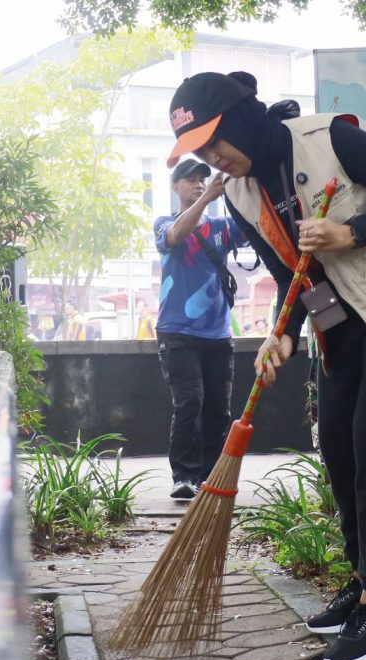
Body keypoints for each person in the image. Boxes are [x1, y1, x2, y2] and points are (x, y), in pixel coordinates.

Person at [165, 71, 366, 660]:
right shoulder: (240, 192)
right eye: (198, 149)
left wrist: (352, 231)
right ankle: (364, 580)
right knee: (341, 454)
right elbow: (287, 273)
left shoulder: (329, 140)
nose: (211, 156)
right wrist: (284, 334)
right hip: (340, 322)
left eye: (214, 140)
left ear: (242, 118)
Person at [154, 157, 248, 500]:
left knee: (218, 411)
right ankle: (184, 476)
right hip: (177, 331)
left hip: (218, 333)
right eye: (190, 179)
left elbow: (258, 226)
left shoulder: (222, 227)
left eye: (202, 180)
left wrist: (240, 186)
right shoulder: (164, 222)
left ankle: (211, 477)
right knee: (189, 402)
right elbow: (176, 235)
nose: (197, 184)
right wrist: (207, 198)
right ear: (174, 186)